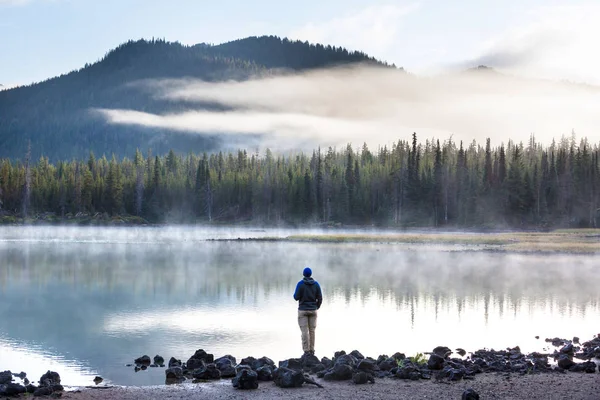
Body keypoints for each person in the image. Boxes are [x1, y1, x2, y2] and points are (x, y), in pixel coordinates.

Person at [293, 267, 323, 356]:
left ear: (303, 274)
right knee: (312, 331)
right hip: (313, 310)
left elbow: (296, 297)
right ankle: (312, 350)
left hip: (302, 310)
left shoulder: (300, 284)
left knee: (304, 331)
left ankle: (306, 351)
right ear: (311, 274)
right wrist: (316, 307)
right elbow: (320, 298)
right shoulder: (316, 284)